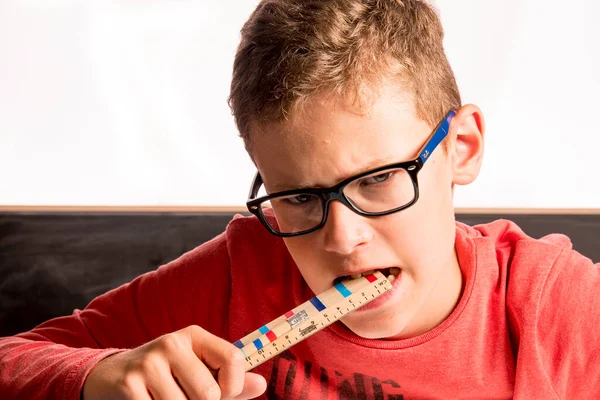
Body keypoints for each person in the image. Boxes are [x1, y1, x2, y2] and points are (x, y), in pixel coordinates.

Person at [1, 0, 599, 398]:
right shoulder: (245, 272)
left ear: (461, 148)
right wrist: (98, 377)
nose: (341, 237)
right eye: (299, 198)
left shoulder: (556, 310)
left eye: (377, 179)